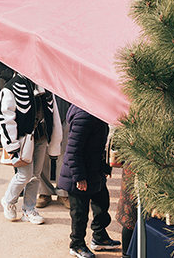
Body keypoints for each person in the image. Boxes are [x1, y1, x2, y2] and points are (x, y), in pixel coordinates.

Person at [0, 74, 63, 225]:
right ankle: (8, 200)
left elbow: (54, 115)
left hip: (41, 136)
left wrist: (54, 139)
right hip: (23, 139)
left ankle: (29, 208)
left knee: (35, 175)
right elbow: (5, 117)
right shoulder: (11, 87)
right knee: (24, 175)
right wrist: (11, 144)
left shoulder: (44, 86)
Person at [58, 105, 121, 257]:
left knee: (102, 204)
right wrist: (79, 177)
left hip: (95, 171)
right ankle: (77, 244)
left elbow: (99, 145)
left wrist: (105, 168)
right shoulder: (84, 116)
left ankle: (99, 238)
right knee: (80, 213)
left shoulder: (96, 111)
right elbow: (73, 150)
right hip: (79, 175)